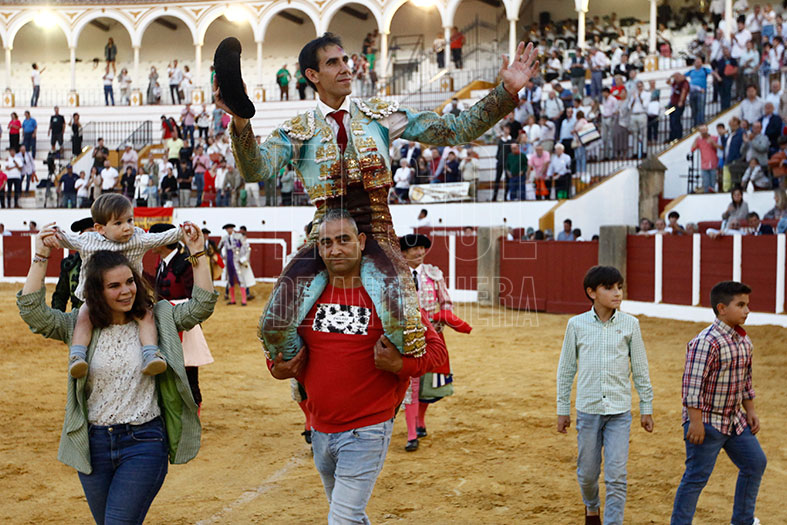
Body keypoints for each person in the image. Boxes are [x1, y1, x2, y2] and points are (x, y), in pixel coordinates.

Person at [221, 32, 536, 361]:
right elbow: (256, 170)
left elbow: (454, 129)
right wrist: (240, 119)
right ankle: (306, 376)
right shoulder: (297, 131)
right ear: (312, 75)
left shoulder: (380, 115)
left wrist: (505, 92)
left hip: (377, 231)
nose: (346, 68)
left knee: (406, 327)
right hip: (324, 236)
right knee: (274, 325)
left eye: (346, 60)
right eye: (333, 63)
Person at [17, 222, 214, 524]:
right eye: (114, 286)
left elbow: (201, 305)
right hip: (93, 446)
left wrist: (198, 252)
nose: (126, 291)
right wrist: (40, 257)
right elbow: (34, 313)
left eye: (130, 282)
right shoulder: (79, 324)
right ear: (96, 291)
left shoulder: (158, 317)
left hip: (144, 441)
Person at [265, 209, 448, 523]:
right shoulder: (302, 296)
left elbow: (437, 351)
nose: (335, 249)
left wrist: (400, 364)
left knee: (343, 518)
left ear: (361, 241)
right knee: (348, 516)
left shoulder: (390, 295)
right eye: (327, 243)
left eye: (343, 240)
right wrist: (276, 369)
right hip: (320, 428)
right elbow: (278, 351)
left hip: (368, 429)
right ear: (318, 247)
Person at [46, 193, 186, 378]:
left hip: (130, 296)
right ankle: (77, 356)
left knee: (146, 315)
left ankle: (151, 354)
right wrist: (53, 232)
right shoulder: (89, 240)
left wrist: (182, 232)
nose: (127, 227)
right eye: (118, 223)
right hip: (96, 297)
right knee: (84, 316)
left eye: (130, 220)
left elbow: (161, 238)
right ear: (100, 228)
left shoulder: (138, 238)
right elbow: (67, 239)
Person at [557, 265, 654, 525]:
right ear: (592, 292)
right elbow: (566, 370)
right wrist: (562, 409)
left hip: (619, 412)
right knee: (587, 474)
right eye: (609, 288)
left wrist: (646, 407)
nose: (617, 293)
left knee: (616, 476)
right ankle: (591, 506)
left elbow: (640, 369)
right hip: (588, 411)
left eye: (619, 287)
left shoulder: (631, 324)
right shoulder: (576, 325)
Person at [670, 281, 766, 525]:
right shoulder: (706, 341)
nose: (747, 310)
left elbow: (746, 381)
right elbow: (692, 386)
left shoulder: (744, 342)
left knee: (755, 463)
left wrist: (750, 410)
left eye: (747, 305)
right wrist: (695, 422)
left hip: (734, 419)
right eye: (741, 305)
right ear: (722, 308)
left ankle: (742, 520)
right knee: (696, 477)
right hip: (707, 421)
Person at [400, 233, 467, 452]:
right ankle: (411, 434)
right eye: (414, 249)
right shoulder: (397, 276)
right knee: (410, 385)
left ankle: (420, 420)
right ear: (404, 253)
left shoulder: (433, 274)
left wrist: (441, 321)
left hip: (431, 335)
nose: (420, 252)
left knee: (427, 384)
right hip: (406, 336)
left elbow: (446, 302)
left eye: (422, 248)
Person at [148, 222, 212, 410]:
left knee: (189, 373)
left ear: (162, 241)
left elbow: (195, 297)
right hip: (164, 323)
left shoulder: (186, 261)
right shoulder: (162, 263)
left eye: (153, 238)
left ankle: (194, 412)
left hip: (185, 324)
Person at [51, 217, 94, 312]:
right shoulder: (70, 264)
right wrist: (58, 318)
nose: (94, 238)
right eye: (91, 232)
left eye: (98, 234)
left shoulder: (112, 262)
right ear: (81, 236)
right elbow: (60, 297)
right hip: (77, 317)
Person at [217, 223, 248, 306]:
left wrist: (242, 258)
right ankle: (233, 300)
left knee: (240, 278)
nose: (228, 230)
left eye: (230, 228)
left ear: (232, 228)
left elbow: (245, 247)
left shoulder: (239, 236)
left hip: (237, 260)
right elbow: (218, 248)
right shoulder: (224, 238)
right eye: (227, 229)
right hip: (228, 260)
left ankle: (244, 300)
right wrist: (222, 257)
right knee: (230, 279)